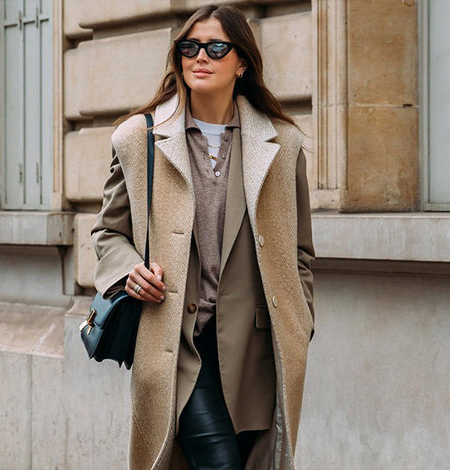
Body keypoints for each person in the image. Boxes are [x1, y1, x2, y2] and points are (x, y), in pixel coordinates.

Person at [91, 5, 315, 469]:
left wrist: (301, 321)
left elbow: (299, 253)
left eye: (216, 47)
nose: (200, 57)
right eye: (189, 47)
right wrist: (127, 270)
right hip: (176, 344)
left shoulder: (281, 143)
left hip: (257, 350)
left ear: (243, 62)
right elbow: (109, 233)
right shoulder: (140, 139)